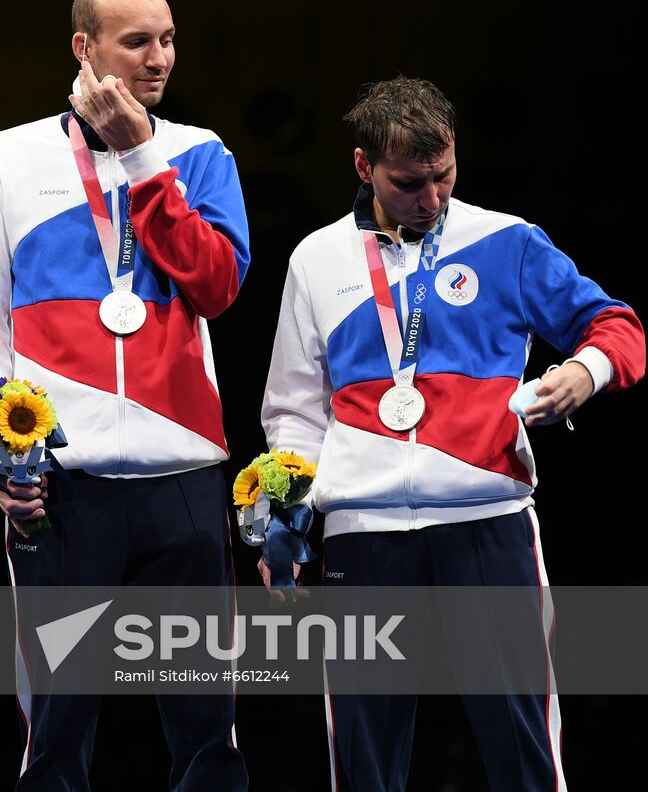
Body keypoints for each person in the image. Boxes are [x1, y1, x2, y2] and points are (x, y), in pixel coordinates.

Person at [260, 77, 645, 790]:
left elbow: (617, 325)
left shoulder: (507, 241)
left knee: (524, 746)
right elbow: (293, 408)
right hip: (362, 530)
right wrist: (283, 521)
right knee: (364, 760)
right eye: (410, 183)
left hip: (487, 521)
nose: (432, 200)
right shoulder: (316, 259)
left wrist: (584, 373)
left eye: (445, 176)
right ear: (362, 167)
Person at [0, 0, 250, 790]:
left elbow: (216, 284)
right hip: (60, 483)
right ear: (85, 48)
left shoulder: (199, 153)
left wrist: (146, 158)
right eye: (137, 42)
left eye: (170, 39)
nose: (160, 59)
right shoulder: (3, 158)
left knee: (206, 728)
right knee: (57, 733)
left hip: (181, 471)